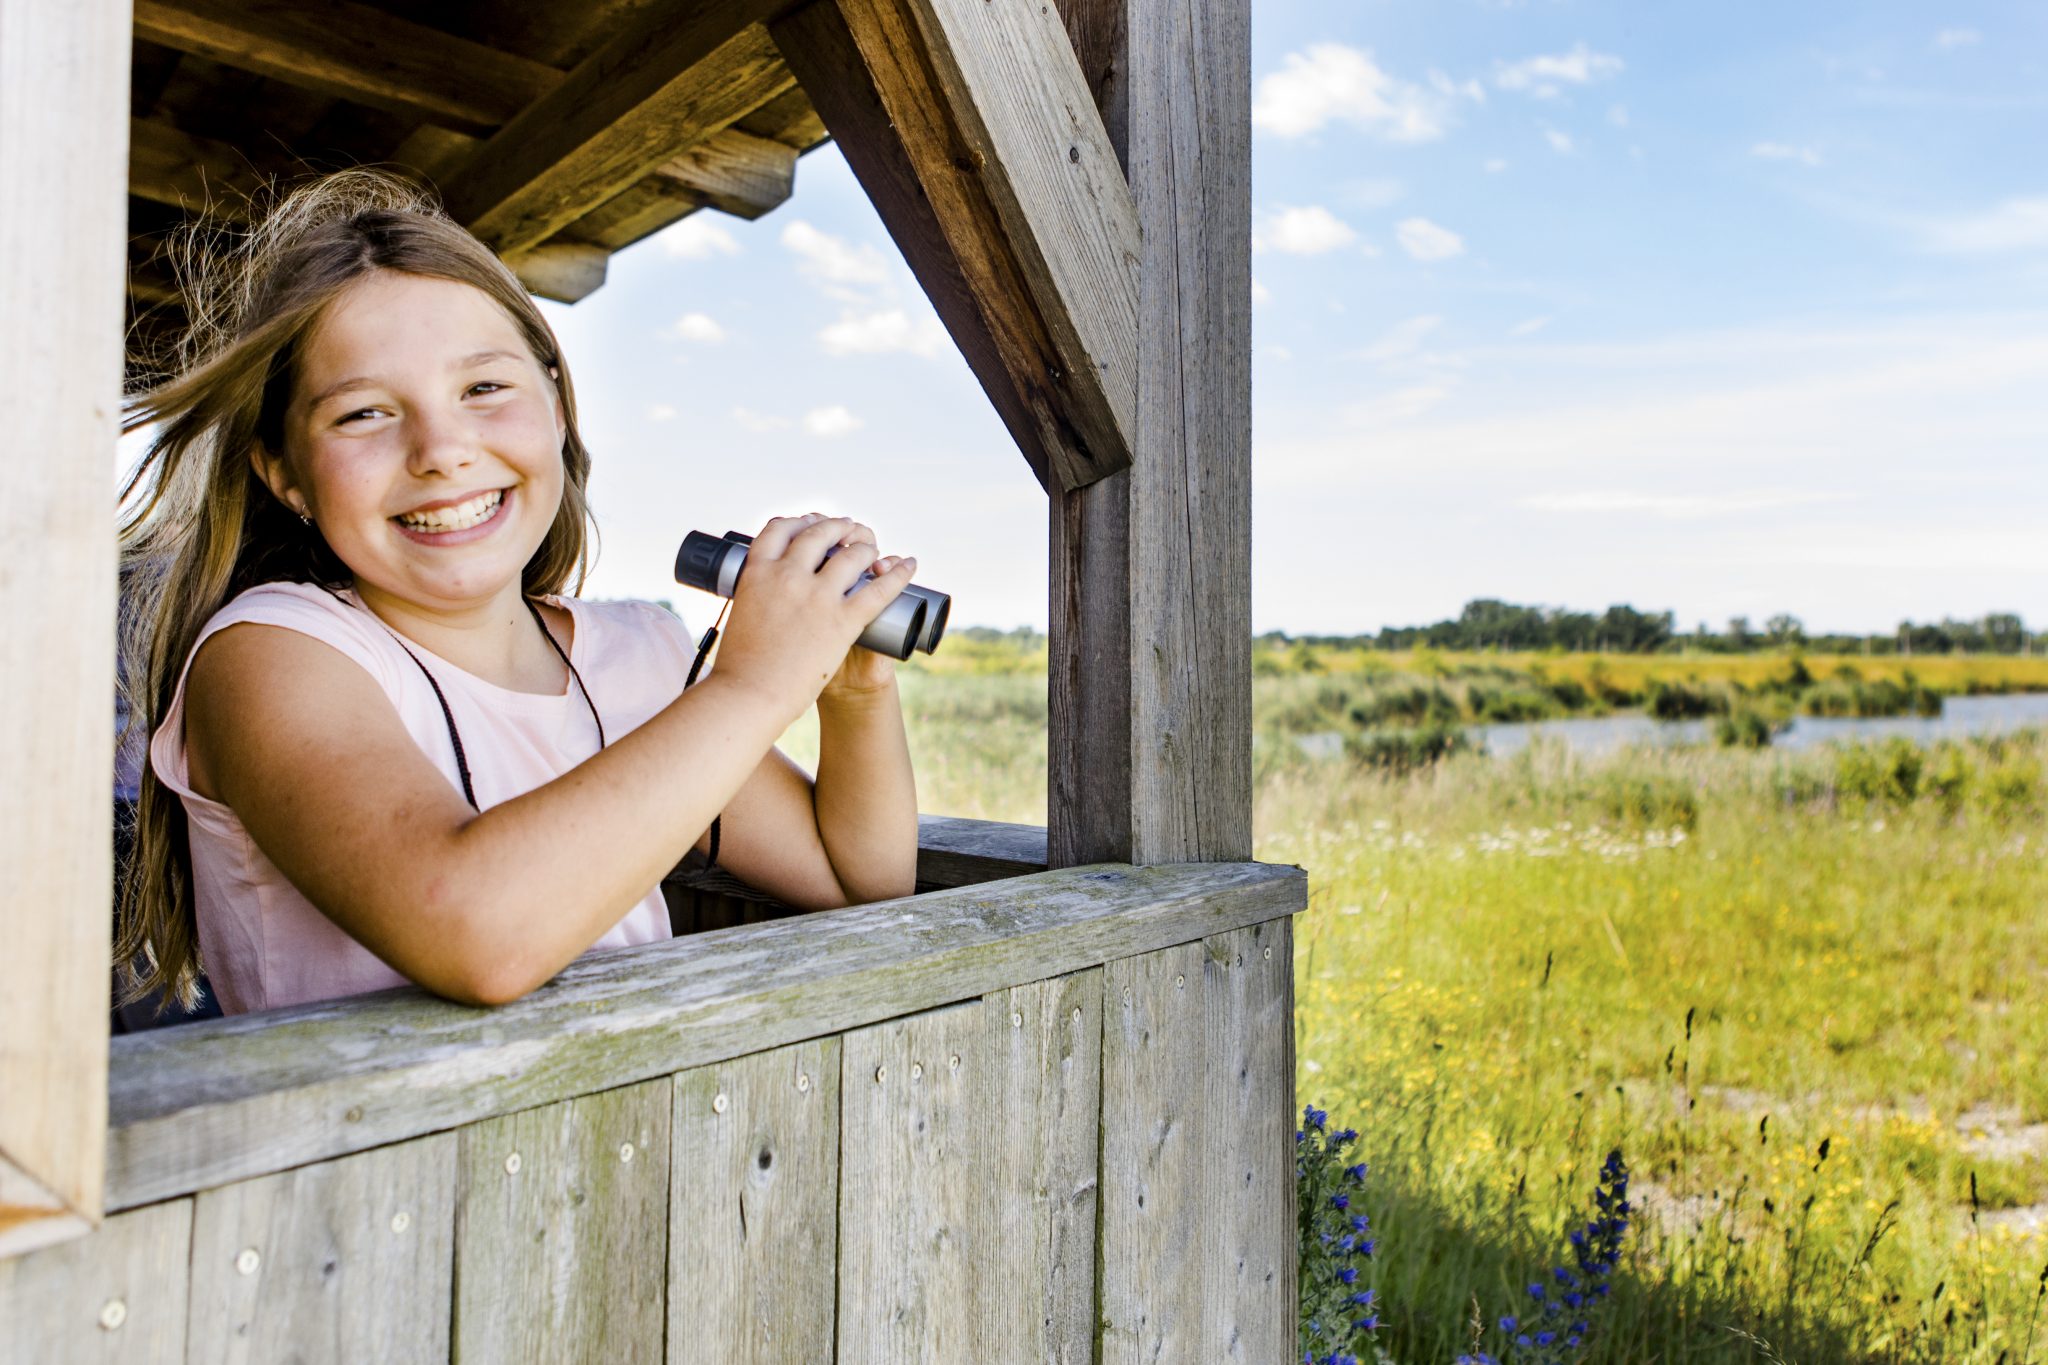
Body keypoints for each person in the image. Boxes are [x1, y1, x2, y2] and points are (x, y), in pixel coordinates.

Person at [114, 171, 920, 1017]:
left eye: (483, 388)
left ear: (558, 406)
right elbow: (476, 933)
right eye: (362, 414)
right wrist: (755, 683)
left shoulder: (637, 656)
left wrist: (852, 692)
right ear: (286, 476)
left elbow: (853, 879)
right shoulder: (269, 654)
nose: (441, 450)